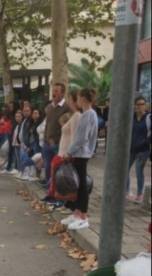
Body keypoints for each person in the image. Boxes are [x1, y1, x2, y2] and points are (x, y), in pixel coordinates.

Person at [61, 88, 98, 230]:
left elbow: (81, 138)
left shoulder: (89, 115)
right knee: (79, 184)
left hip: (82, 153)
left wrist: (69, 152)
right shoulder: (87, 114)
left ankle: (83, 215)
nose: (77, 101)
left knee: (82, 185)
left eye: (78, 98)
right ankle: (77, 212)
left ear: (82, 99)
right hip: (80, 153)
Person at [41, 83, 72, 187]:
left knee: (57, 169)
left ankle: (57, 193)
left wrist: (56, 139)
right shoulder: (50, 107)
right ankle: (49, 191)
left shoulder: (67, 107)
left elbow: (67, 127)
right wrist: (46, 138)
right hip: (47, 143)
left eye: (56, 91)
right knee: (47, 168)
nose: (53, 93)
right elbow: (48, 124)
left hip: (58, 144)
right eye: (53, 91)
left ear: (62, 93)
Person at [126, 96, 151, 204]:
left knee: (139, 170)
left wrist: (146, 142)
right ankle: (127, 190)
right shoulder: (132, 117)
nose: (140, 106)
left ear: (145, 105)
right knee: (124, 169)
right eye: (138, 104)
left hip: (142, 150)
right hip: (131, 148)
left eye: (142, 104)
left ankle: (139, 194)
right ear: (134, 106)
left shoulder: (149, 117)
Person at [20, 108, 43, 180]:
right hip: (31, 143)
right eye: (33, 113)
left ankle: (38, 174)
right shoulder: (31, 123)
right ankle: (33, 174)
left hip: (37, 143)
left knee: (37, 158)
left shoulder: (40, 124)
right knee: (32, 158)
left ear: (39, 115)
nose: (34, 115)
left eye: (36, 113)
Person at [11, 111, 24, 178]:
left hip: (19, 143)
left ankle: (21, 170)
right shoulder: (16, 125)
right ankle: (19, 170)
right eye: (16, 117)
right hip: (15, 143)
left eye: (19, 116)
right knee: (17, 158)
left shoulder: (22, 125)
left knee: (21, 158)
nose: (17, 118)